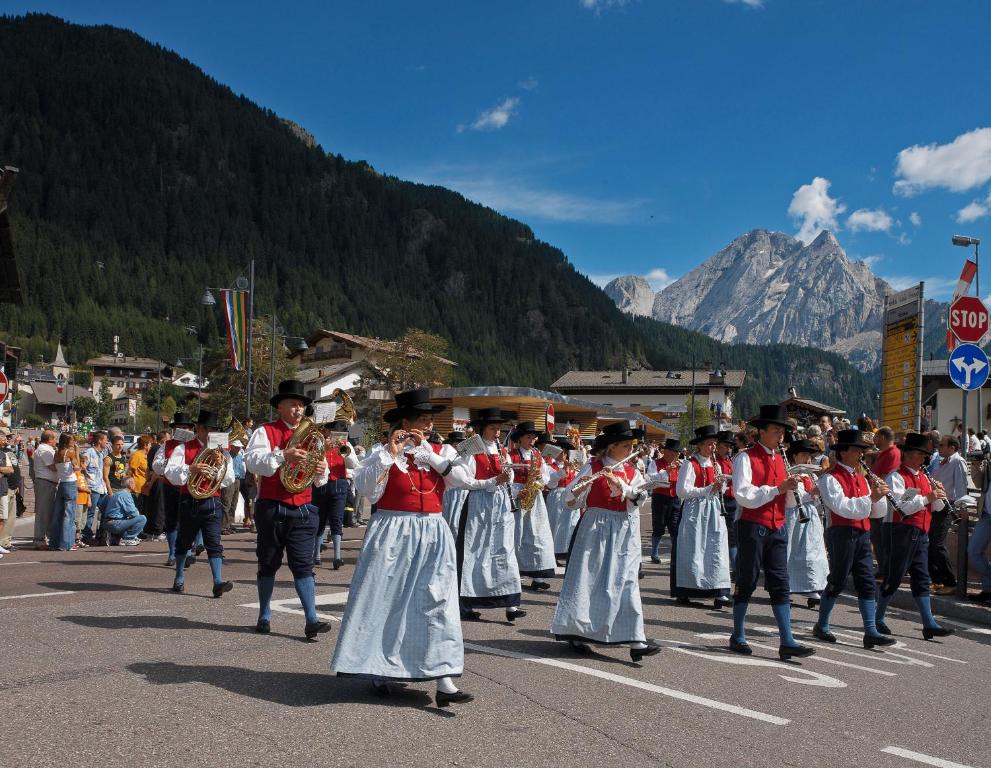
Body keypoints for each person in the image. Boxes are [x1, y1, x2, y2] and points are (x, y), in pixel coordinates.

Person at [332, 389, 473, 706]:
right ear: (404, 422)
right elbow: (369, 490)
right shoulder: (383, 453)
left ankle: (445, 679)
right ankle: (379, 669)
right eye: (421, 419)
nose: (426, 425)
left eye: (429, 419)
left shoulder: (441, 450)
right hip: (394, 529)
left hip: (434, 530)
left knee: (438, 602)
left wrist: (433, 458)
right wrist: (390, 453)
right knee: (388, 600)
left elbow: (464, 480)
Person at [551, 422, 659, 661]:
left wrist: (622, 486)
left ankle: (636, 639)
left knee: (627, 581)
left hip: (624, 529)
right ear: (611, 447)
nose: (630, 448)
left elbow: (640, 498)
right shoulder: (593, 466)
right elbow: (568, 501)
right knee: (588, 580)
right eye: (625, 445)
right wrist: (581, 489)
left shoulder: (632, 471)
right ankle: (577, 632)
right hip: (595, 528)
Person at [244, 381, 330, 638]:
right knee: (268, 563)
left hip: (303, 508)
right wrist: (283, 455)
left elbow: (321, 476)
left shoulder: (312, 436)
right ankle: (264, 614)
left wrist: (320, 471)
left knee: (303, 565)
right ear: (279, 406)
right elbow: (253, 462)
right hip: (272, 507)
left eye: (301, 405)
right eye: (293, 404)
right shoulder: (265, 432)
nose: (298, 409)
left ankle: (311, 619)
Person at [730, 405, 814, 660]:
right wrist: (777, 489)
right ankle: (737, 634)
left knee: (781, 583)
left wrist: (795, 492)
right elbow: (743, 495)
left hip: (777, 526)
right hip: (752, 525)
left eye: (783, 431)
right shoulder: (745, 458)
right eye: (777, 430)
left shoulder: (781, 459)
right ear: (762, 431)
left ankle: (787, 640)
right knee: (747, 580)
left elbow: (786, 501)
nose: (781, 435)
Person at [812, 429, 896, 649]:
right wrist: (872, 497)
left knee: (867, 581)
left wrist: (879, 497)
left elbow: (875, 512)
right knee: (838, 580)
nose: (862, 455)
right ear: (844, 452)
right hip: (840, 533)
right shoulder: (829, 478)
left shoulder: (861, 478)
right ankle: (821, 625)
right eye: (857, 450)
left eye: (862, 451)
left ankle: (870, 631)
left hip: (861, 533)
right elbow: (842, 508)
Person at [875, 433, 954, 640]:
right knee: (895, 575)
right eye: (920, 454)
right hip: (899, 530)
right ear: (908, 454)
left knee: (922, 577)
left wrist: (938, 495)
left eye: (925, 455)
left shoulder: (924, 476)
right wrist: (927, 496)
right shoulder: (896, 476)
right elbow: (902, 507)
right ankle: (877, 617)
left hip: (920, 531)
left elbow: (935, 507)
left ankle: (929, 624)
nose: (924, 458)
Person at [453, 408, 525, 623]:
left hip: (501, 503)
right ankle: (467, 603)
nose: (497, 433)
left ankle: (511, 604)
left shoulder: (501, 450)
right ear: (481, 429)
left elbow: (507, 475)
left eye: (499, 429)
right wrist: (492, 482)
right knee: (475, 551)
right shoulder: (470, 447)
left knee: (504, 550)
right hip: (479, 503)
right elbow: (463, 481)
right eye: (493, 428)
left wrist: (509, 477)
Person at [165, 410, 237, 597]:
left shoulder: (221, 450)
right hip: (190, 500)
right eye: (207, 429)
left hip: (212, 501)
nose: (210, 433)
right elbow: (171, 473)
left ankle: (217, 581)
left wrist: (221, 464)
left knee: (214, 543)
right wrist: (191, 468)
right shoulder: (184, 448)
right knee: (184, 542)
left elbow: (228, 479)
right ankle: (179, 577)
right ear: (198, 428)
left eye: (213, 430)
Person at [672, 425, 732, 608]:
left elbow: (720, 489)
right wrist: (707, 489)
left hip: (713, 508)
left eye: (714, 444)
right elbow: (681, 490)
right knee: (693, 547)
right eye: (709, 444)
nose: (713, 447)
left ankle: (718, 590)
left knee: (715, 548)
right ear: (699, 445)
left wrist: (721, 485)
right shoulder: (690, 464)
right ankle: (687, 589)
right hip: (694, 510)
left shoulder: (716, 464)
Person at [509, 423, 556, 591]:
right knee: (518, 535)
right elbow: (508, 478)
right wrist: (516, 491)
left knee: (538, 535)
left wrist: (538, 481)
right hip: (517, 497)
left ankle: (537, 576)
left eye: (533, 437)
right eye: (528, 437)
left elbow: (546, 476)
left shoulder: (537, 455)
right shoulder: (511, 455)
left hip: (534, 497)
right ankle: (515, 573)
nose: (532, 440)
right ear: (520, 438)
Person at [783, 438, 828, 608]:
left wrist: (817, 493)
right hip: (793, 515)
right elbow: (791, 500)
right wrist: (812, 494)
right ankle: (786, 587)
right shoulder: (790, 472)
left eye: (808, 455)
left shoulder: (809, 473)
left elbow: (813, 498)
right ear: (794, 456)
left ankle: (812, 586)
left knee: (812, 551)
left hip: (810, 515)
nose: (807, 458)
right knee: (791, 551)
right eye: (803, 454)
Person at [312, 419, 358, 568]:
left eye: (335, 433)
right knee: (319, 520)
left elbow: (354, 465)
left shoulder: (346, 445)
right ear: (325, 431)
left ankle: (337, 556)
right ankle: (316, 555)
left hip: (339, 485)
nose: (332, 435)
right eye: (330, 432)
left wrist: (344, 449)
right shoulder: (319, 444)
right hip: (321, 485)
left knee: (336, 520)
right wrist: (323, 448)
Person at [927, 435, 969, 594]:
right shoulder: (939, 461)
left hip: (947, 505)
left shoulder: (957, 462)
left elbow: (961, 486)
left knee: (938, 544)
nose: (939, 447)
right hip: (936, 503)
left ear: (952, 447)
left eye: (942, 445)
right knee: (930, 543)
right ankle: (937, 580)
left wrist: (962, 508)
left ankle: (950, 582)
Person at [153, 414, 195, 566]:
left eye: (186, 427)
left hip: (190, 487)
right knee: (172, 520)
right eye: (180, 427)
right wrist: (167, 464)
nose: (183, 430)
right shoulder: (167, 445)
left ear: (190, 429)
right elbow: (156, 466)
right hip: (170, 486)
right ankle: (172, 554)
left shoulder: (195, 445)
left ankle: (188, 551)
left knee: (189, 520)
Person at [644, 438, 682, 565]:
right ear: (665, 451)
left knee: (675, 527)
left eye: (676, 453)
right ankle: (654, 553)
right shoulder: (655, 463)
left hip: (675, 498)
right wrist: (666, 471)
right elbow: (650, 479)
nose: (674, 455)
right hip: (660, 498)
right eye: (671, 452)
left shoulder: (680, 465)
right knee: (658, 526)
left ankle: (675, 553)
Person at [545, 436, 579, 562]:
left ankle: (567, 550)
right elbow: (550, 482)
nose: (562, 455)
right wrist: (563, 470)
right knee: (556, 523)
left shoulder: (572, 465)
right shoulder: (550, 466)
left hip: (570, 495)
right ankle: (554, 552)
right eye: (559, 452)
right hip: (557, 495)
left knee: (571, 523)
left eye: (564, 452)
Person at [49, 433, 80, 551]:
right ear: (67, 442)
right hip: (70, 483)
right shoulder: (70, 453)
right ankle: (66, 543)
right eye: (72, 440)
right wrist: (76, 452)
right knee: (69, 515)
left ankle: (54, 542)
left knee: (58, 514)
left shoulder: (56, 453)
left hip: (61, 483)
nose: (74, 442)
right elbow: (77, 467)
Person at [714, 430, 739, 575]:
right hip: (719, 500)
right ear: (718, 446)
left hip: (732, 500)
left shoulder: (731, 461)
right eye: (725, 446)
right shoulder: (714, 461)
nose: (729, 449)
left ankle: (735, 569)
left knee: (732, 535)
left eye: (730, 446)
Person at [98, 479, 147, 545]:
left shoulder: (116, 493)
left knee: (130, 520)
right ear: (130, 484)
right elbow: (133, 512)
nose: (135, 484)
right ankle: (128, 538)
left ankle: (115, 538)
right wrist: (140, 529)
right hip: (116, 523)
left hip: (107, 522)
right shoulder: (125, 495)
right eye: (134, 483)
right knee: (142, 518)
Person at [80, 431, 109, 545]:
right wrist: (87, 484)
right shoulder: (89, 453)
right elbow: (83, 468)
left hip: (101, 488)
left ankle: (100, 533)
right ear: (99, 441)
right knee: (90, 513)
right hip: (92, 487)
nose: (107, 442)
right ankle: (85, 535)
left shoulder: (101, 454)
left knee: (106, 509)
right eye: (105, 440)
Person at [32, 429, 58, 549]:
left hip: (49, 483)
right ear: (50, 439)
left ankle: (47, 538)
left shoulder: (48, 449)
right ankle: (39, 540)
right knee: (43, 512)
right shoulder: (44, 449)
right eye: (55, 438)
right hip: (45, 482)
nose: (56, 441)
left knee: (49, 512)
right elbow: (53, 467)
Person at [439, 431, 469, 536]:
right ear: (454, 444)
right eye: (459, 443)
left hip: (462, 491)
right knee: (451, 521)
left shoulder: (462, 455)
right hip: (452, 491)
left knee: (459, 522)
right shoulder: (447, 450)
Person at [220, 439, 245, 535]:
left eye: (239, 447)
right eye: (237, 447)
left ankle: (229, 524)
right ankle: (223, 526)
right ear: (232, 447)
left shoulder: (239, 456)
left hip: (238, 479)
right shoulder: (227, 455)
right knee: (227, 502)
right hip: (229, 480)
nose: (239, 449)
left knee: (234, 503)